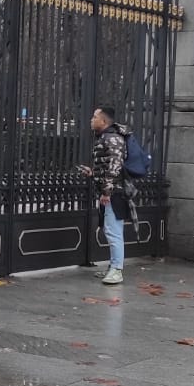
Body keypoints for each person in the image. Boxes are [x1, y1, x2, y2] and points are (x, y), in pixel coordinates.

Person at [86, 106, 136, 285]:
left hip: (114, 192)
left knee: (113, 231)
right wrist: (94, 173)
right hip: (111, 190)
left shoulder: (113, 138)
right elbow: (108, 165)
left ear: (104, 121)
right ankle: (113, 267)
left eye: (94, 117)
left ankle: (117, 270)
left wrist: (107, 191)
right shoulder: (107, 137)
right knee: (111, 229)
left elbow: (115, 166)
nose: (91, 120)